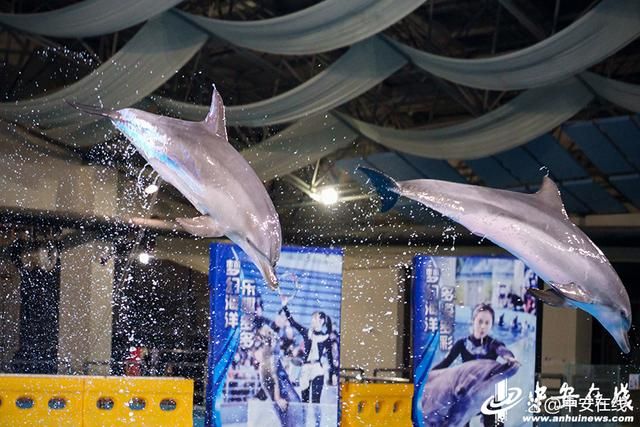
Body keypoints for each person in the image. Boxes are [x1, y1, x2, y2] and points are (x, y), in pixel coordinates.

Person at [432, 303, 518, 427]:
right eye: (480, 321)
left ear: (491, 325)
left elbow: (503, 351)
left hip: (488, 394)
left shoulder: (494, 344)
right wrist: (427, 377)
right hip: (466, 395)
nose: (483, 326)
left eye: (487, 323)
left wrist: (509, 357)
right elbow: (445, 363)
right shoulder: (462, 344)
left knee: (498, 421)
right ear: (473, 321)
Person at [280, 296, 332, 426]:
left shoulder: (325, 337)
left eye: (314, 318)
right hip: (305, 369)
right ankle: (303, 424)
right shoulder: (306, 332)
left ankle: (317, 425)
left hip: (317, 369)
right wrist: (285, 306)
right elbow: (292, 322)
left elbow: (330, 357)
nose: (312, 320)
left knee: (315, 401)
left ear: (321, 320)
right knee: (304, 400)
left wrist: (331, 374)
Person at [253, 324, 300, 426]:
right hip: (276, 391)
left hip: (279, 392)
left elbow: (274, 379)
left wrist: (277, 398)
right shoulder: (267, 358)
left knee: (287, 416)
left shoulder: (271, 356)